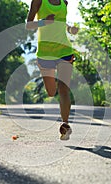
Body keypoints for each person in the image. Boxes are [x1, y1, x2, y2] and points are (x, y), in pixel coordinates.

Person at [26, 0, 79, 140]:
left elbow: (61, 23)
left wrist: (70, 29)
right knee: (51, 91)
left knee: (64, 88)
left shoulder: (64, 2)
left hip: (64, 50)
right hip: (45, 53)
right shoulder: (38, 1)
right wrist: (43, 22)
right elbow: (28, 25)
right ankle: (64, 121)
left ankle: (65, 125)